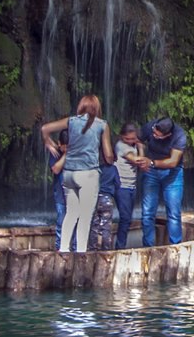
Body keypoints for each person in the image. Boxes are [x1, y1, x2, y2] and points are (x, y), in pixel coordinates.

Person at [39, 94, 113, 254]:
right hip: (88, 175)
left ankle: (63, 250)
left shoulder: (71, 121)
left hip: (69, 174)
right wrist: (110, 158)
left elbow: (45, 128)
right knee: (85, 216)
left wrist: (48, 143)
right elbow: (108, 155)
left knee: (71, 213)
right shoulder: (102, 125)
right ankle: (80, 253)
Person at [137, 116, 187, 246]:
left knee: (173, 212)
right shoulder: (151, 125)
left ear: (168, 135)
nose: (153, 135)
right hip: (151, 171)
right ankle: (148, 248)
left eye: (157, 136)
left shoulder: (179, 136)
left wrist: (152, 162)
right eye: (153, 132)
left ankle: (175, 247)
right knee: (147, 212)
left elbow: (173, 162)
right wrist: (142, 156)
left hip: (172, 173)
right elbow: (139, 140)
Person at [112, 123, 146, 249]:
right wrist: (141, 147)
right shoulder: (121, 146)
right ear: (121, 136)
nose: (131, 141)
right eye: (128, 139)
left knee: (127, 218)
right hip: (122, 187)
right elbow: (138, 161)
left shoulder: (132, 146)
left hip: (131, 186)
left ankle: (121, 245)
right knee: (125, 218)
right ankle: (119, 248)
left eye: (133, 138)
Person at [48, 127, 70, 244]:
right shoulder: (55, 153)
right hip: (60, 195)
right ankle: (59, 246)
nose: (66, 149)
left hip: (73, 195)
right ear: (59, 143)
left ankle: (74, 247)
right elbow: (56, 169)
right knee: (61, 220)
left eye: (69, 146)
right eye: (64, 146)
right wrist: (66, 155)